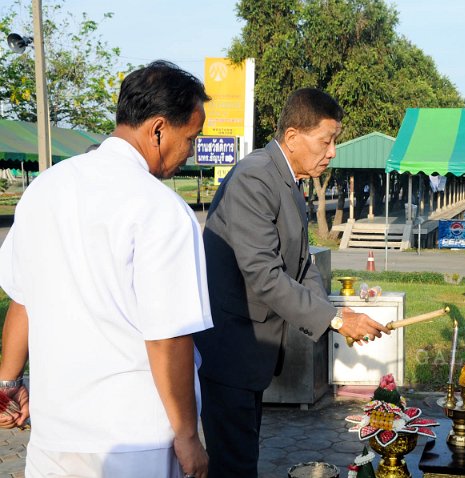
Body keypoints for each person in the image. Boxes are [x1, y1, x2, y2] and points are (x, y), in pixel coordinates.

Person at [0, 60, 213, 478]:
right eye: (190, 138)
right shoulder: (161, 209)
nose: (189, 152)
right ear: (157, 130)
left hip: (54, 434)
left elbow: (22, 300)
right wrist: (188, 435)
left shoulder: (44, 189)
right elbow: (168, 336)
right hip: (134, 440)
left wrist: (8, 384)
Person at [194, 88, 390, 477]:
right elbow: (265, 274)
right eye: (326, 141)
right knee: (233, 465)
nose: (332, 151)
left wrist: (336, 314)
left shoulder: (287, 179)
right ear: (293, 137)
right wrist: (334, 320)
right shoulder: (256, 178)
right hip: (232, 350)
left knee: (243, 457)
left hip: (253, 352)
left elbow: (302, 265)